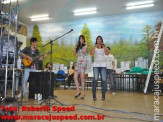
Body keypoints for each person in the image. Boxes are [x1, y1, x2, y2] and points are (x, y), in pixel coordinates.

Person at [90, 36, 109, 100]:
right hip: (96, 65)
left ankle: (103, 94)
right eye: (98, 39)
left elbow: (107, 53)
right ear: (96, 40)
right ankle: (94, 94)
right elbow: (91, 53)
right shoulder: (95, 47)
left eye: (100, 39)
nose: (99, 40)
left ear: (101, 40)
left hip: (103, 65)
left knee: (103, 79)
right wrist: (94, 46)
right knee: (95, 79)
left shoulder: (104, 47)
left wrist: (105, 46)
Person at [74, 35, 87, 99]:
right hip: (78, 62)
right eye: (80, 39)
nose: (81, 40)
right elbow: (74, 54)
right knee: (75, 77)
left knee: (82, 78)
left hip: (83, 63)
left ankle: (83, 93)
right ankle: (78, 91)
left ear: (84, 40)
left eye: (82, 39)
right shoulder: (78, 46)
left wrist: (86, 45)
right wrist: (75, 46)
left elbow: (84, 52)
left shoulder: (85, 46)